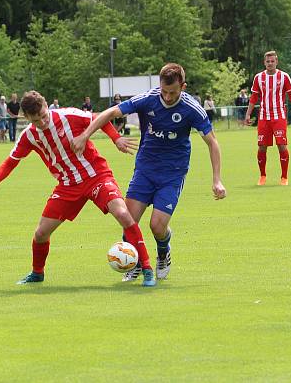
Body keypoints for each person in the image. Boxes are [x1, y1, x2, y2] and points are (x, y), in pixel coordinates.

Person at [0, 91, 156, 287]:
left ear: (46, 105)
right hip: (68, 186)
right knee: (40, 234)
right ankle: (37, 273)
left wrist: (116, 138)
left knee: (123, 214)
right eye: (37, 120)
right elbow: (11, 162)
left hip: (96, 175)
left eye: (44, 116)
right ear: (27, 117)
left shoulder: (68, 115)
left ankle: (147, 268)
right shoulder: (28, 135)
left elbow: (100, 119)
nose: (43, 122)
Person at [72, 63, 227, 282]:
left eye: (173, 92)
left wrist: (217, 180)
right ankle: (134, 263)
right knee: (128, 221)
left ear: (183, 86)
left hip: (172, 173)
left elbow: (212, 143)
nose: (167, 96)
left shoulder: (192, 109)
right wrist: (85, 135)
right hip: (145, 169)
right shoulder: (148, 99)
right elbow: (110, 112)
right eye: (164, 91)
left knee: (157, 226)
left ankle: (163, 253)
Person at [244, 51, 291, 186]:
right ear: (264, 63)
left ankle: (284, 177)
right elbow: (254, 98)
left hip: (279, 116)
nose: (270, 63)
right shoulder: (259, 77)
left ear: (276, 62)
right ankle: (262, 176)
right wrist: (248, 114)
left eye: (272, 61)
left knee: (282, 145)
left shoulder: (284, 77)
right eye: (267, 61)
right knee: (262, 147)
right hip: (264, 117)